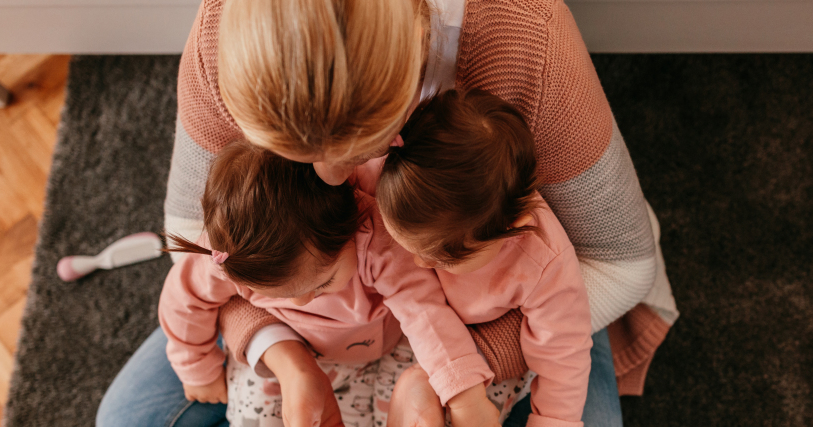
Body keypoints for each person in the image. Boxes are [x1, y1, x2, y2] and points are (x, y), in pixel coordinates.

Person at [97, 0, 677, 424]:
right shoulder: (222, 33)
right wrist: (277, 343)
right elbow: (196, 245)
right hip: (322, 300)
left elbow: (620, 265)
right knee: (125, 419)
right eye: (292, 154)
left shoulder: (528, 42)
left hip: (507, 292)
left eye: (357, 152)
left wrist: (459, 370)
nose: (332, 179)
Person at [157, 140, 523, 427]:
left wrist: (464, 396)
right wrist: (196, 367)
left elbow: (425, 315)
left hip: (398, 344)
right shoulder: (226, 257)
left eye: (323, 283)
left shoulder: (376, 237)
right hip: (299, 347)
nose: (303, 304)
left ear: (351, 224)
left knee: (427, 411)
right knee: (256, 414)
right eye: (281, 294)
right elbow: (182, 299)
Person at [380, 89, 592, 427]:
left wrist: (552, 420)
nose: (420, 263)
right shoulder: (397, 180)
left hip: (479, 350)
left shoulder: (543, 261)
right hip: (404, 332)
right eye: (409, 247)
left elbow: (564, 355)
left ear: (514, 229)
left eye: (443, 257)